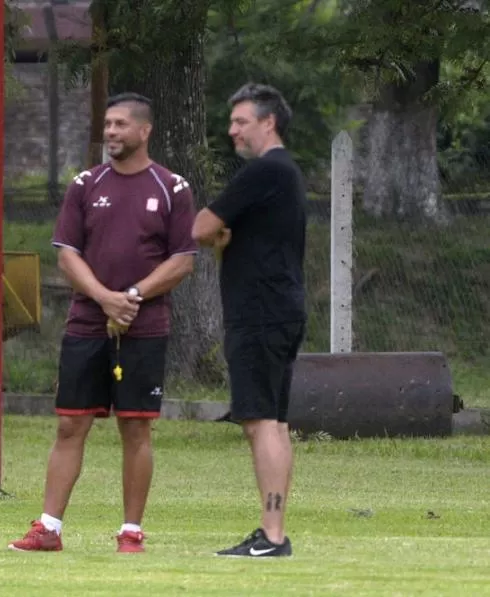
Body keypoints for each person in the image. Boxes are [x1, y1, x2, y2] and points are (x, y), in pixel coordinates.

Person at [7, 92, 198, 554]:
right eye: (107, 125)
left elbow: (183, 260)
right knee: (70, 426)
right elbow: (67, 255)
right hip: (87, 326)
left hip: (144, 326)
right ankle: (48, 528)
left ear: (144, 130)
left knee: (135, 427)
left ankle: (131, 532)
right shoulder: (84, 184)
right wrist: (105, 299)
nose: (110, 132)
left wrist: (131, 297)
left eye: (120, 125)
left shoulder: (172, 188)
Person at [191, 83, 307, 558]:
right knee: (274, 422)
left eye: (240, 121)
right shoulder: (287, 174)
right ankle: (273, 530)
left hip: (259, 311)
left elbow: (199, 226)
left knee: (260, 421)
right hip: (280, 308)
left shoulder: (263, 171)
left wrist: (218, 235)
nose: (232, 130)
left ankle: (272, 535)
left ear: (268, 122)